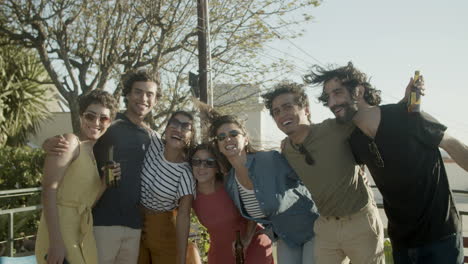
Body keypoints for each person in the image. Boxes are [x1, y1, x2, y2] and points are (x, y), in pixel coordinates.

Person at [306, 62, 468, 264]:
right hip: (402, 243)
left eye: (337, 93)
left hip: (440, 237)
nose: (331, 103)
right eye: (327, 97)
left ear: (359, 91)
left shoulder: (408, 116)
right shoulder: (355, 141)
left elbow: (454, 146)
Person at [42, 69, 160, 264]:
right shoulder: (108, 123)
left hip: (134, 225)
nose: (144, 98)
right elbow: (75, 143)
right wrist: (47, 143)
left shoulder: (151, 136)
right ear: (128, 94)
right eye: (138, 92)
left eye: (150, 94)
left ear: (155, 100)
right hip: (99, 223)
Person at [262, 82, 385, 264]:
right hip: (326, 226)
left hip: (360, 221)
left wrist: (409, 102)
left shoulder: (334, 128)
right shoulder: (287, 148)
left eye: (288, 107)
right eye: (276, 111)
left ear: (306, 109)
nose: (282, 115)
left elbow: (372, 121)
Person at [209, 114, 318, 264]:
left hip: (313, 228)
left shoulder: (269, 160)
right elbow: (259, 207)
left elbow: (306, 173)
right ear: (219, 147)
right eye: (221, 137)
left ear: (245, 139)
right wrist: (246, 239)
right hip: (286, 237)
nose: (227, 139)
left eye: (233, 134)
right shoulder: (230, 183)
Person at [35, 90, 119, 264]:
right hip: (59, 234)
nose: (96, 123)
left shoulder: (92, 154)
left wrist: (104, 183)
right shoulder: (71, 142)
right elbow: (49, 189)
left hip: (80, 234)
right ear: (81, 116)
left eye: (103, 118)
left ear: (109, 122)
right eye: (90, 116)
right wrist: (56, 242)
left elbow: (86, 203)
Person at [190, 143, 274, 264]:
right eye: (196, 161)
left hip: (252, 245)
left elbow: (253, 210)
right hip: (220, 254)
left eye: (209, 162)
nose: (202, 167)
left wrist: (246, 240)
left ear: (217, 167)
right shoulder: (190, 194)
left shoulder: (230, 184)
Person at [138, 111, 196, 264]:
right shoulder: (154, 143)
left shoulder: (185, 173)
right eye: (174, 123)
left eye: (185, 127)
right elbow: (135, 120)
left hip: (163, 232)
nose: (178, 129)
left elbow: (184, 216)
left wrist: (182, 259)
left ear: (191, 136)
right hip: (136, 224)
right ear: (167, 126)